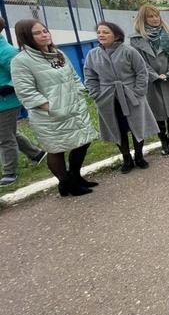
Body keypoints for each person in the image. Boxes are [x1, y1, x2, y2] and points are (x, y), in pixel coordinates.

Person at [10, 20, 98, 196]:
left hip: (75, 109)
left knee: (83, 141)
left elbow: (74, 76)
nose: (44, 35)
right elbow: (26, 92)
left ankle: (75, 176)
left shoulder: (58, 54)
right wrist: (52, 108)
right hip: (50, 115)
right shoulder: (21, 61)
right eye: (37, 33)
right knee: (56, 149)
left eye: (45, 30)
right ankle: (66, 183)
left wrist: (79, 94)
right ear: (26, 37)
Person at [84, 22, 160, 173]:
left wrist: (139, 91)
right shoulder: (93, 55)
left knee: (137, 126)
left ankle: (139, 156)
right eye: (99, 32)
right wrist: (96, 94)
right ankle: (126, 158)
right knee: (117, 127)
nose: (101, 35)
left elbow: (141, 71)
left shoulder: (129, 51)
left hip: (131, 95)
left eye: (105, 32)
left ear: (116, 35)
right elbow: (90, 76)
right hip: (107, 98)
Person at [130, 5, 169, 156]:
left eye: (157, 15)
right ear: (143, 19)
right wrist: (154, 76)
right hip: (152, 81)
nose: (155, 19)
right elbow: (140, 62)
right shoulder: (136, 40)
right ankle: (163, 141)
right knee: (157, 111)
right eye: (150, 16)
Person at [0, 18, 46, 186]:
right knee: (7, 133)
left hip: (7, 101)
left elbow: (21, 73)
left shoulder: (5, 51)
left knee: (4, 138)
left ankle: (9, 172)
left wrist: (6, 87)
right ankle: (36, 154)